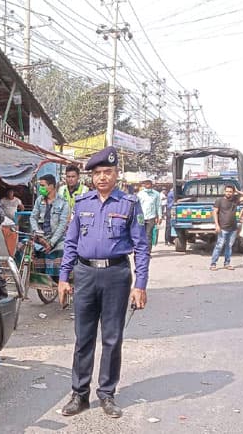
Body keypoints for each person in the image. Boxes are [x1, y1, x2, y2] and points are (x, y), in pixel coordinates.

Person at [58, 147, 150, 419]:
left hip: (116, 276)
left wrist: (140, 284)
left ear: (117, 174)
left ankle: (107, 394)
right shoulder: (82, 204)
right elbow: (71, 243)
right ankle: (80, 394)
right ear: (92, 177)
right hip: (85, 275)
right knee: (83, 337)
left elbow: (141, 247)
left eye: (107, 172)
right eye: (97, 173)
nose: (102, 177)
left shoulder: (129, 205)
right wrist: (64, 277)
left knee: (112, 338)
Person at [29, 174, 69, 281]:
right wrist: (38, 234)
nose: (40, 188)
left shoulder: (63, 203)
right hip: (40, 237)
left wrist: (51, 243)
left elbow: (62, 225)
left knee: (61, 253)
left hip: (57, 240)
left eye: (43, 185)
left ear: (51, 186)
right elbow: (33, 217)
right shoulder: (39, 200)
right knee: (23, 247)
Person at [210, 185, 243, 270]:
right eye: (227, 191)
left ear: (233, 193)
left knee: (229, 246)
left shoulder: (235, 200)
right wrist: (217, 225)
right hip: (223, 228)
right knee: (219, 246)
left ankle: (227, 263)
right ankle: (213, 264)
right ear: (224, 192)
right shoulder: (219, 201)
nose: (228, 193)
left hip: (233, 228)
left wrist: (238, 191)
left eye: (230, 191)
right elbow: (214, 212)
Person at [136, 179, 162, 253]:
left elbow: (158, 206)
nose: (147, 185)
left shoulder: (156, 194)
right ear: (143, 185)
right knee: (141, 235)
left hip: (151, 217)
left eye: (148, 183)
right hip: (141, 217)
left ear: (151, 184)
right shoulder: (140, 194)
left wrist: (160, 216)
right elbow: (137, 206)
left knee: (148, 235)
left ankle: (147, 252)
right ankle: (141, 251)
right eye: (145, 183)